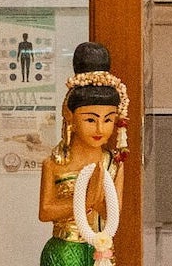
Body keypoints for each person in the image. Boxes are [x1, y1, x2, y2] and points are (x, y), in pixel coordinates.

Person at [38, 42, 127, 265]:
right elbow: (45, 211)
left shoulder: (113, 162)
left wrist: (97, 200)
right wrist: (84, 201)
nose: (100, 129)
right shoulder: (55, 163)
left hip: (101, 250)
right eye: (90, 119)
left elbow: (113, 213)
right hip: (65, 248)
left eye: (108, 120)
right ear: (70, 116)